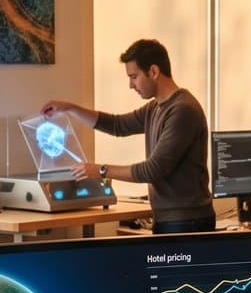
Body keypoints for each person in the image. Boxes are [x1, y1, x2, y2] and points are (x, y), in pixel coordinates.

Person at [41, 39, 212, 234]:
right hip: (170, 220)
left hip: (187, 223)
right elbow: (117, 125)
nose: (131, 85)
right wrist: (70, 109)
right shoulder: (155, 108)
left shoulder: (182, 110)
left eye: (134, 77)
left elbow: (153, 169)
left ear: (154, 72)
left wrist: (101, 170)